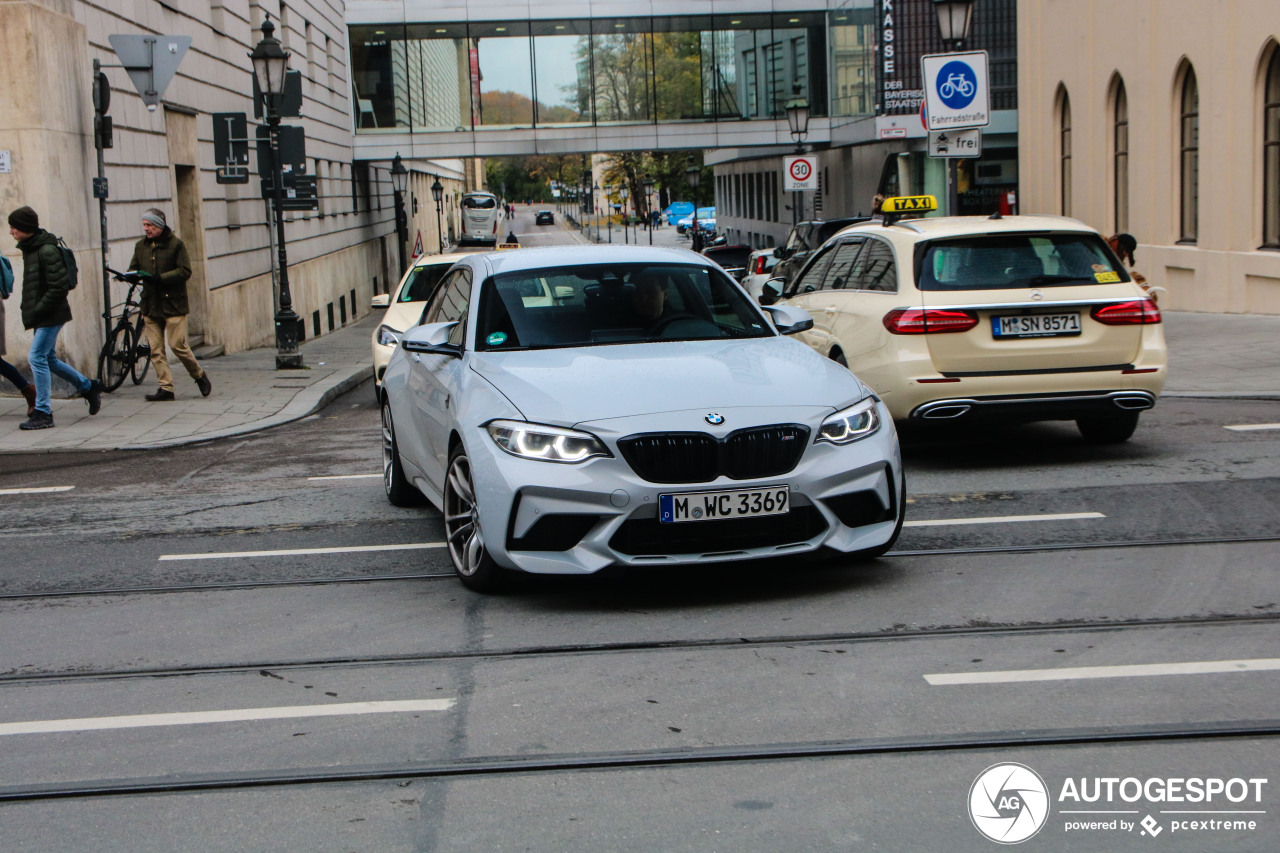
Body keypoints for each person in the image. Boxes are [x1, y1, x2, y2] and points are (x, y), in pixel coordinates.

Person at [8, 206, 102, 429]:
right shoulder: (31, 248)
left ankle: (43, 412)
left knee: (36, 357)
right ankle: (88, 386)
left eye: (14, 227)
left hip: (51, 313)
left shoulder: (46, 250)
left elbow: (58, 287)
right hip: (42, 314)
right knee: (48, 358)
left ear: (25, 228)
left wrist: (39, 309)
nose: (11, 231)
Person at [127, 208, 210, 401]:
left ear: (159, 225)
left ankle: (198, 375)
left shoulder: (176, 245)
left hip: (173, 304)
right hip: (151, 304)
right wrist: (130, 275)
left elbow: (185, 270)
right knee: (155, 349)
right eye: (145, 225)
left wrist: (161, 278)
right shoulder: (140, 246)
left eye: (150, 225)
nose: (146, 229)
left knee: (177, 345)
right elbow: (134, 267)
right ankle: (166, 388)